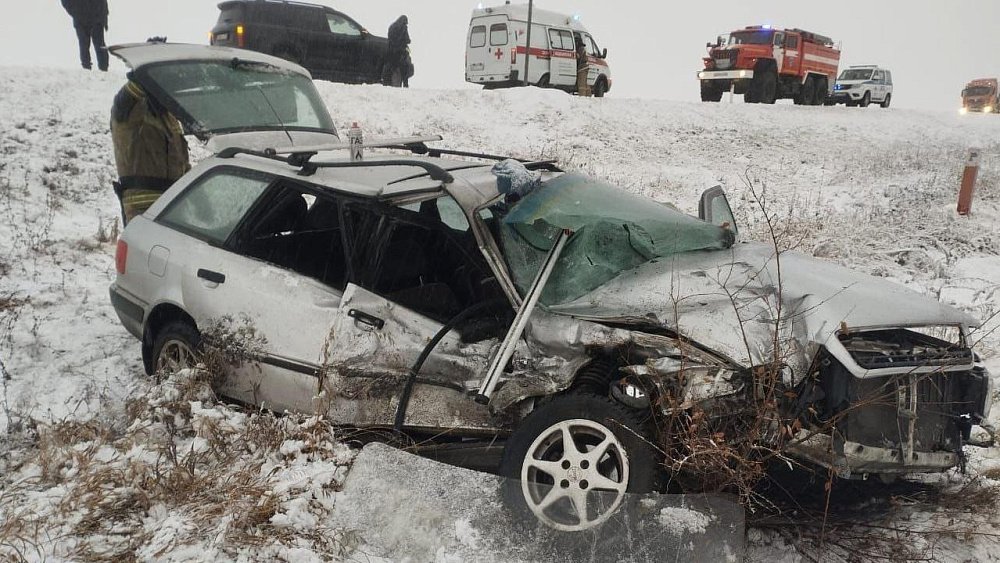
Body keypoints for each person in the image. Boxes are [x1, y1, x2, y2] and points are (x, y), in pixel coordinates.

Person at [110, 80, 190, 224]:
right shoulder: (129, 113)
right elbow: (127, 95)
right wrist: (151, 74)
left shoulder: (170, 118)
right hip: (142, 208)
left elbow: (182, 162)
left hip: (174, 205)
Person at [61, 0, 110, 71]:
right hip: (82, 19)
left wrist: (104, 17)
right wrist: (75, 13)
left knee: (99, 45)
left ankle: (103, 70)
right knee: (84, 45)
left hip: (96, 18)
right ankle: (87, 70)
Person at [385, 15, 411, 87]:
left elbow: (390, 38)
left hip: (391, 52)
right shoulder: (403, 27)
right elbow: (407, 39)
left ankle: (391, 84)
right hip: (401, 52)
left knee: (393, 68)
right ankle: (405, 85)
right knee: (404, 68)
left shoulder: (392, 27)